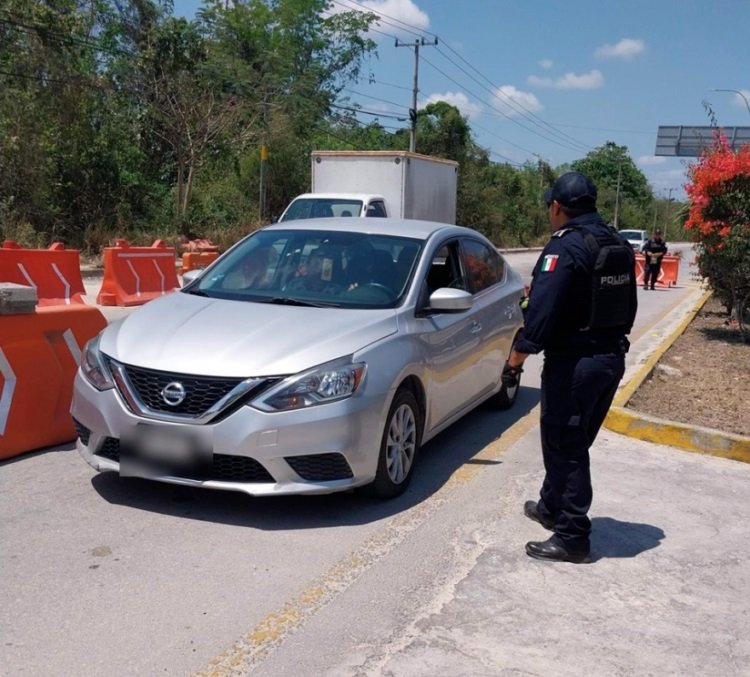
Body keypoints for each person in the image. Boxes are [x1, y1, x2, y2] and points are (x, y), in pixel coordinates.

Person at [503, 171, 637, 563]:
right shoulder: (617, 243)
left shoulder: (566, 247)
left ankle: (573, 535)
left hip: (575, 365)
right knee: (572, 441)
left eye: (550, 206)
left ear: (557, 207)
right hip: (609, 359)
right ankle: (550, 506)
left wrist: (516, 359)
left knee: (567, 446)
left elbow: (541, 312)